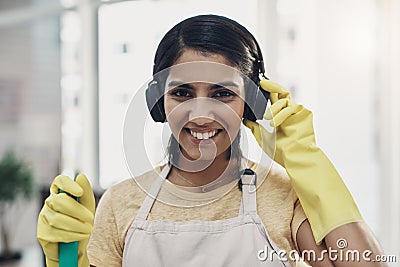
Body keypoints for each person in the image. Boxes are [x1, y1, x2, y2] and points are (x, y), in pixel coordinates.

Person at [37, 14, 387, 267]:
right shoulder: (120, 202)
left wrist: (307, 161)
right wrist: (70, 261)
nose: (201, 115)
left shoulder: (283, 195)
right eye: (183, 93)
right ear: (159, 103)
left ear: (251, 105)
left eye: (222, 94)